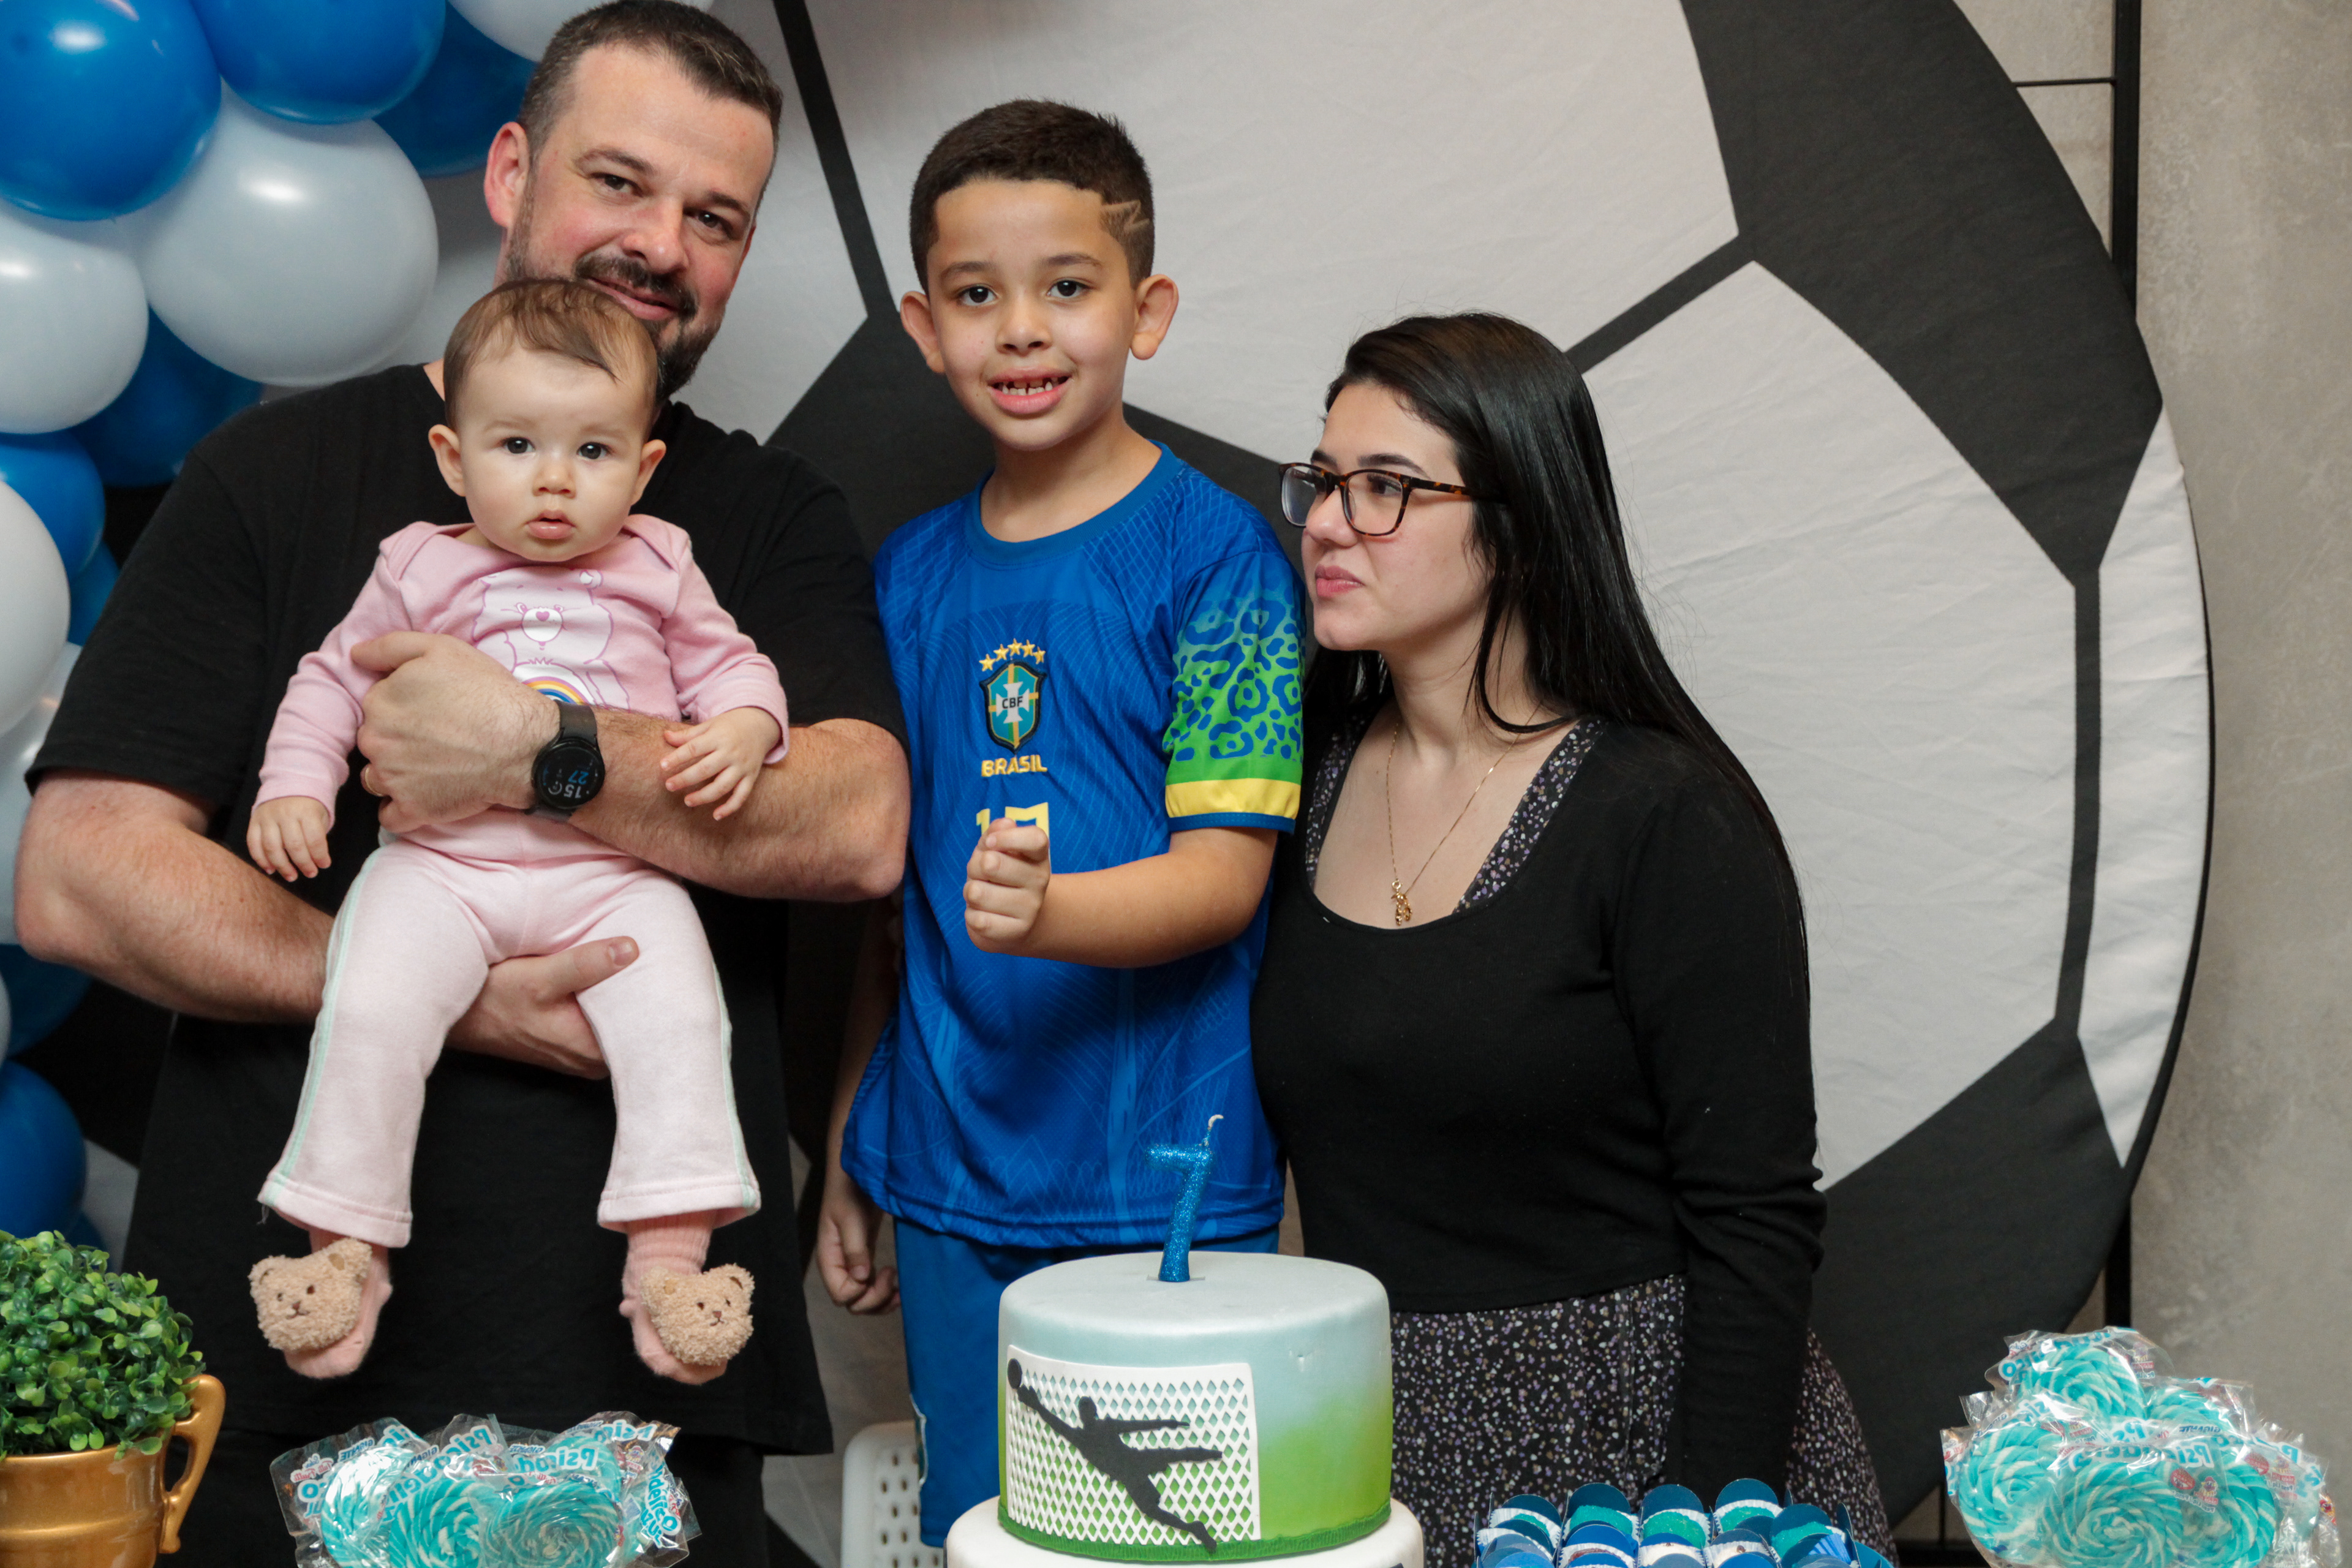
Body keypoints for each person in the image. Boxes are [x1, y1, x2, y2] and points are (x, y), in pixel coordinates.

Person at [13, 4, 909, 1564]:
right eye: (618, 182)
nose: (660, 244)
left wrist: (539, 752)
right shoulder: (280, 477)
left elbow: (858, 822)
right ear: (509, 169)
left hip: (653, 1389)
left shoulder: (758, 515)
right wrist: (431, 986)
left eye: (716, 217)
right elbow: (80, 867)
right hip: (281, 1380)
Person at [1247, 314, 1892, 1567]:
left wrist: (1706, 1521)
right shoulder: (1299, 784)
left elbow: (1754, 1216)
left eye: (1384, 488)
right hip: (1373, 1459)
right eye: (1323, 482)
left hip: (1641, 1464)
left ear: (1519, 519)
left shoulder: (1663, 814)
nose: (1326, 520)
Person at [812, 101, 1305, 1548]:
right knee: (989, 1532)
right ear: (922, 323)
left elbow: (1224, 875)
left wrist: (1054, 911)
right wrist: (858, 1116)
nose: (1021, 330)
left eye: (1067, 288)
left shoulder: (1223, 560)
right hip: (953, 1167)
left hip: (1166, 1180)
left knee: (1164, 1539)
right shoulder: (902, 578)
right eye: (978, 295)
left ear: (1145, 312)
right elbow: (894, 904)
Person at [245, 279, 788, 1385]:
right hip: (443, 871)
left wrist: (744, 724)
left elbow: (735, 662)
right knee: (373, 1004)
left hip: (613, 878)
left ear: (641, 469)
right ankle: (342, 1248)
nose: (553, 479)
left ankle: (672, 1262)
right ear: (453, 457)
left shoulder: (662, 563)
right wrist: (294, 782)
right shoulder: (417, 564)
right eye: (517, 445)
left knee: (683, 1017)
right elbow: (327, 683)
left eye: (593, 452)